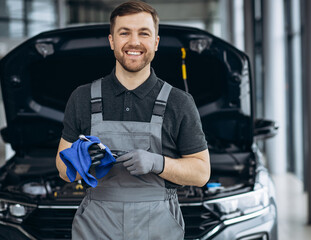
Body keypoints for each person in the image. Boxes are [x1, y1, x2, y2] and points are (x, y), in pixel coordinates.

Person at [55, 1, 210, 239]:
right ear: (112, 41)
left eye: (144, 33)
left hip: (158, 227)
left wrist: (158, 163)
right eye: (124, 32)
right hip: (96, 226)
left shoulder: (179, 102)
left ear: (155, 43)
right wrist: (80, 161)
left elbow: (201, 173)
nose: (134, 42)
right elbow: (64, 170)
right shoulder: (82, 97)